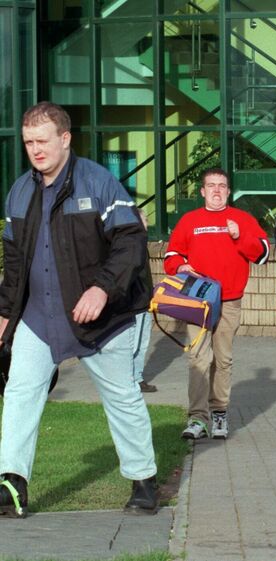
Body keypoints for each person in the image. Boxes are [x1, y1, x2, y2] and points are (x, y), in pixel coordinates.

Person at [0, 101, 157, 516]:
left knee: (122, 397)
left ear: (65, 139)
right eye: (28, 141)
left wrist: (102, 290)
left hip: (103, 320)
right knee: (18, 394)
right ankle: (11, 484)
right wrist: (3, 314)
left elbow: (130, 243)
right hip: (38, 318)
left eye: (43, 141)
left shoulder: (100, 183)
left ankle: (143, 482)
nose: (35, 150)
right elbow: (14, 262)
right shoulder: (19, 190)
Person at [165, 168, 270, 440]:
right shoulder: (190, 221)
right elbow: (171, 256)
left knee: (222, 359)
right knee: (199, 358)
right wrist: (181, 265)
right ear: (202, 191)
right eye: (211, 185)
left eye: (222, 186)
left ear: (228, 190)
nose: (216, 190)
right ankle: (197, 419)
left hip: (229, 302)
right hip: (197, 302)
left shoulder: (241, 219)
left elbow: (262, 254)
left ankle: (219, 415)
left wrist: (240, 237)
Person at [134, 209, 156, 392]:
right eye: (144, 220)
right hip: (134, 303)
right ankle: (128, 379)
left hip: (146, 301)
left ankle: (137, 377)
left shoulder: (142, 244)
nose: (146, 224)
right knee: (133, 343)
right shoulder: (130, 245)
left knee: (143, 342)